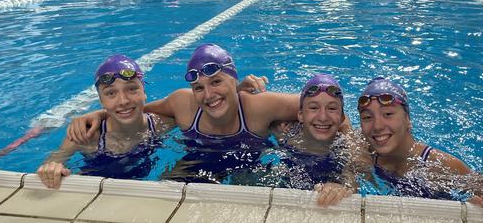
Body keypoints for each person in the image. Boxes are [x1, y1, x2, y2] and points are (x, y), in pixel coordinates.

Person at [67, 44, 300, 184]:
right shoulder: (182, 103)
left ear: (235, 80)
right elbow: (136, 109)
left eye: (217, 82)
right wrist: (100, 114)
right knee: (162, 195)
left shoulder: (261, 105)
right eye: (199, 87)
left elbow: (322, 107)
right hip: (198, 162)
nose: (208, 94)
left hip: (252, 164)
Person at [351, 77, 483, 222]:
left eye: (388, 114)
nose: (377, 126)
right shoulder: (364, 150)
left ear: (408, 119)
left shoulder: (438, 164)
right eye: (367, 117)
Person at [37, 55, 175, 189]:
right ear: (101, 101)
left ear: (144, 92)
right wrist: (52, 167)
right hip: (94, 191)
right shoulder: (87, 135)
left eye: (132, 89)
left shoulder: (161, 125)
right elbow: (54, 160)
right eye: (111, 93)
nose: (123, 101)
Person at [267, 74, 353, 195]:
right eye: (313, 108)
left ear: (342, 117)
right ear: (301, 115)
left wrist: (342, 187)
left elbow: (352, 177)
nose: (323, 117)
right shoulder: (284, 134)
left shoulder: (347, 146)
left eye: (332, 108)